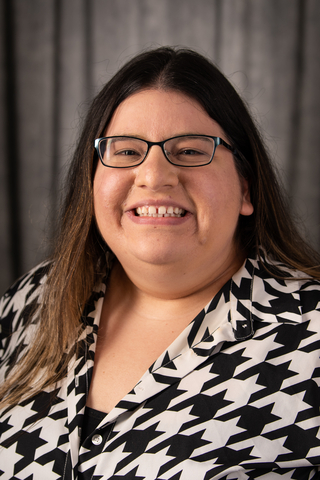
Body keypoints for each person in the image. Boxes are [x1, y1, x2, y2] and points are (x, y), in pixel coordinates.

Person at [0, 46, 319, 480]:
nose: (153, 175)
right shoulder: (32, 300)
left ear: (247, 189)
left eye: (189, 151)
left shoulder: (309, 339)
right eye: (127, 152)